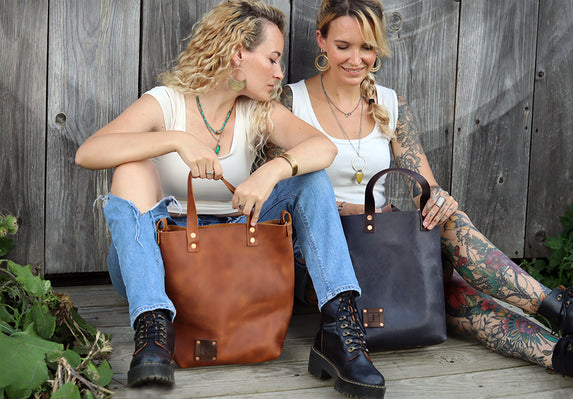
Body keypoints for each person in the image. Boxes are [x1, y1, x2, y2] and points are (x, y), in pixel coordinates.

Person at [264, 0, 573, 396]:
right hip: (324, 256)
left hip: (383, 241)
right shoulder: (289, 101)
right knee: (446, 294)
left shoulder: (390, 104)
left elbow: (423, 183)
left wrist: (438, 199)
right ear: (321, 41)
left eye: (367, 48)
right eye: (344, 46)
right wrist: (353, 210)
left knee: (449, 230)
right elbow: (284, 195)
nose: (357, 59)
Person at [75, 1, 387, 397]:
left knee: (310, 179)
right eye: (273, 59)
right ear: (239, 52)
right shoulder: (166, 103)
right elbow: (88, 153)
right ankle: (153, 331)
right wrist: (176, 140)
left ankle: (340, 330)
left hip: (233, 256)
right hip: (162, 262)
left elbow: (322, 147)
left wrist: (270, 172)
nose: (279, 72)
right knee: (131, 169)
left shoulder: (258, 109)